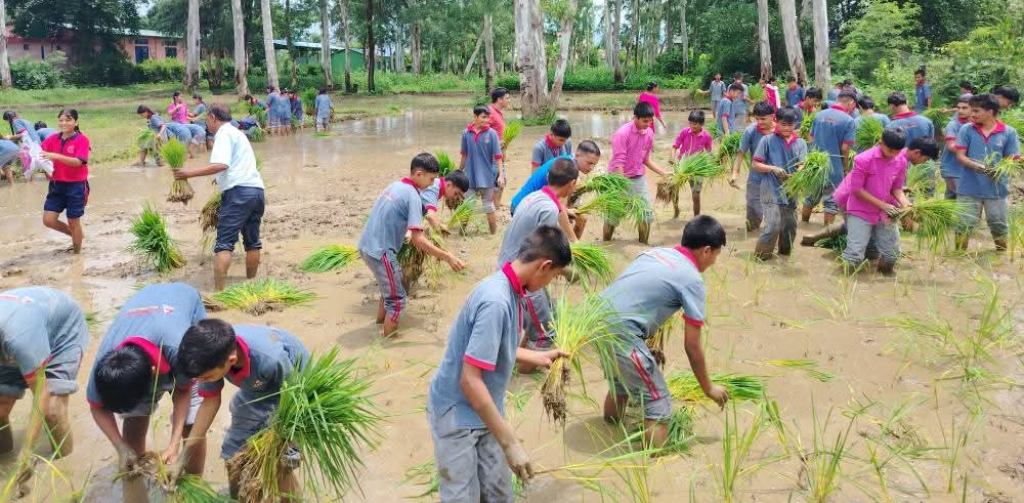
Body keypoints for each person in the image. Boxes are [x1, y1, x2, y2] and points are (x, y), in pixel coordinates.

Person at [427, 226, 570, 501]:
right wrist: (511, 442)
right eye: (553, 277)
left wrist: (537, 356)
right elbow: (469, 381)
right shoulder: (496, 300)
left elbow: (493, 347)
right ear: (545, 266)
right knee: (462, 496)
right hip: (458, 416)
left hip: (485, 410)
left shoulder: (512, 291)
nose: (549, 284)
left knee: (498, 493)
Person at [601, 216, 729, 447]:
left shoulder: (655, 254)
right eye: (716, 255)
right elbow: (692, 345)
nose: (714, 263)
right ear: (707, 251)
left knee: (620, 384)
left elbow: (636, 294)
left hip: (597, 323)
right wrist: (708, 388)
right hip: (623, 333)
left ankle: (607, 431)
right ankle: (653, 466)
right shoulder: (692, 280)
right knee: (658, 403)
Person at [87, 283, 208, 495]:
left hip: (182, 304)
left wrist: (174, 445)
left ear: (154, 374)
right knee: (133, 425)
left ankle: (192, 490)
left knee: (192, 425)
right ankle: (136, 495)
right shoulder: (105, 366)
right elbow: (96, 407)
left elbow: (184, 391)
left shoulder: (179, 349)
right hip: (146, 309)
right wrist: (120, 447)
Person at [178, 320, 310, 501]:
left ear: (231, 361)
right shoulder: (211, 358)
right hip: (256, 390)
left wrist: (279, 439)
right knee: (234, 457)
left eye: (206, 377)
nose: (203, 380)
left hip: (295, 396)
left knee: (282, 467)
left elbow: (295, 402)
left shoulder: (270, 360)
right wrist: (182, 459)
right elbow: (209, 402)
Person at [359, 153, 466, 337]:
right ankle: (387, 345)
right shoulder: (413, 196)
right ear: (418, 174)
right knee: (398, 301)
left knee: (389, 292)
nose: (433, 184)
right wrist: (447, 257)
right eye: (431, 179)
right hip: (381, 252)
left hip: (366, 246)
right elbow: (418, 239)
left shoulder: (395, 185)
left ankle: (379, 326)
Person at [173, 104, 265, 291]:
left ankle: (219, 292)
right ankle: (251, 283)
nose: (207, 124)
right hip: (256, 192)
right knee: (252, 242)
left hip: (238, 194)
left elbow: (221, 164)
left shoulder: (222, 134)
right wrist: (220, 180)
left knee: (224, 244)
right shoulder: (238, 133)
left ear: (213, 117)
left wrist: (187, 174)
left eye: (207, 120)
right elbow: (237, 164)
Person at [497, 159, 579, 360]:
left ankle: (518, 359)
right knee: (545, 334)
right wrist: (569, 272)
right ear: (572, 184)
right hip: (521, 279)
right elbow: (544, 257)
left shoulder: (534, 197)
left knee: (548, 314)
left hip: (510, 268)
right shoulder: (548, 210)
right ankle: (526, 372)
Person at [0, 287, 88, 459]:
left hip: (61, 333)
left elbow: (41, 394)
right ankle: (3, 457)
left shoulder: (20, 340)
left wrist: (27, 450)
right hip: (24, 318)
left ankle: (64, 465)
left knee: (52, 410)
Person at [836, 128, 911, 275]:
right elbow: (856, 189)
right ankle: (844, 287)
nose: (893, 155)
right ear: (880, 143)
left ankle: (885, 282)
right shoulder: (863, 159)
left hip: (885, 212)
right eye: (890, 150)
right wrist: (882, 205)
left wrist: (905, 203)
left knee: (891, 254)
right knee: (854, 255)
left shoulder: (900, 160)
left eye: (897, 151)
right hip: (860, 211)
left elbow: (897, 188)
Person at [953, 93, 1020, 251]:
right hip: (969, 187)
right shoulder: (967, 130)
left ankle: (1001, 256)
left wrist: (1004, 166)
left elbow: (1011, 158)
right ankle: (959, 258)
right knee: (963, 225)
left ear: (990, 112)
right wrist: (979, 167)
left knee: (999, 226)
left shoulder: (1008, 132)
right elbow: (960, 156)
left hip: (996, 189)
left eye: (976, 111)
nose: (972, 114)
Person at [605, 102, 669, 244]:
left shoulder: (650, 133)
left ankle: (642, 245)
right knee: (613, 215)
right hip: (618, 178)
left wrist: (663, 173)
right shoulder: (622, 134)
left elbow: (645, 159)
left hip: (638, 177)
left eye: (650, 120)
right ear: (635, 118)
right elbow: (618, 162)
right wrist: (622, 184)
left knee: (645, 214)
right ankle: (606, 243)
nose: (648, 124)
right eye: (645, 121)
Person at [510, 140, 601, 238]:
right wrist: (574, 241)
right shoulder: (568, 169)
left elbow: (559, 204)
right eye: (589, 163)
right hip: (524, 207)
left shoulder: (565, 161)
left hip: (527, 204)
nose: (591, 168)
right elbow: (560, 208)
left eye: (594, 165)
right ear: (578, 154)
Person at [752, 107, 808, 260]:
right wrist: (773, 168)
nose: (787, 128)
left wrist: (799, 172)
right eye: (784, 124)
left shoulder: (801, 143)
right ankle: (760, 259)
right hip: (770, 188)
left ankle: (784, 257)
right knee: (773, 225)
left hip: (791, 190)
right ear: (776, 122)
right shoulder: (767, 140)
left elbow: (803, 164)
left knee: (790, 227)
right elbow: (755, 164)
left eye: (791, 125)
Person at [802, 91, 857, 225]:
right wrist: (844, 168)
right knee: (831, 203)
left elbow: (811, 138)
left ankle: (803, 224)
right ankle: (827, 235)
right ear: (851, 104)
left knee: (810, 198)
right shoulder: (848, 121)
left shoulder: (819, 115)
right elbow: (845, 149)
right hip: (834, 167)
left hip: (816, 165)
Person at [42, 109, 90, 254]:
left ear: (76, 122)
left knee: (73, 221)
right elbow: (40, 153)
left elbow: (78, 162)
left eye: (68, 120)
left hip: (76, 186)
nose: (63, 123)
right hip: (56, 185)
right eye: (61, 120)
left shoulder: (82, 139)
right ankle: (77, 236)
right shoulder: (52, 139)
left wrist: (54, 156)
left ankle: (77, 252)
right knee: (48, 220)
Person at [459, 105, 504, 234]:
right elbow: (464, 155)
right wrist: (458, 172)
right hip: (469, 178)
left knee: (488, 207)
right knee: (467, 206)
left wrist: (500, 175)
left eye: (488, 117)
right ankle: (461, 234)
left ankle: (493, 234)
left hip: (487, 177)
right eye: (483, 117)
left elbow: (498, 157)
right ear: (475, 117)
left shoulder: (492, 134)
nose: (487, 120)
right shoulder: (466, 133)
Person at [732, 101, 776, 231]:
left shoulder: (780, 131)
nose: (760, 122)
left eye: (763, 119)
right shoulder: (750, 131)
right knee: (753, 216)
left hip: (775, 180)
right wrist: (735, 173)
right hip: (755, 179)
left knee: (773, 216)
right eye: (757, 119)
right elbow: (740, 154)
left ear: (772, 116)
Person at [671, 110, 714, 217]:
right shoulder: (684, 132)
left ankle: (696, 218)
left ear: (701, 124)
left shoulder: (706, 136)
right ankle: (676, 209)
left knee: (696, 194)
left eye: (695, 124)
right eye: (690, 123)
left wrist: (715, 162)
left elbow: (709, 152)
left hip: (697, 167)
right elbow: (675, 146)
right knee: (673, 188)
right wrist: (672, 158)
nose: (692, 126)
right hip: (683, 164)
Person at [940, 95, 972, 199]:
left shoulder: (975, 124)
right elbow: (951, 146)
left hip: (964, 168)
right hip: (952, 168)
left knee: (951, 197)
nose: (960, 111)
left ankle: (942, 214)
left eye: (964, 108)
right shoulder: (953, 125)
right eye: (958, 108)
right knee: (962, 196)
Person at [488, 88, 511, 210]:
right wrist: (497, 143)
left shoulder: (498, 113)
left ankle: (496, 206)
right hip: (491, 157)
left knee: (500, 182)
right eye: (507, 98)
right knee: (498, 182)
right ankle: (493, 208)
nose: (509, 101)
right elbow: (480, 134)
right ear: (499, 99)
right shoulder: (489, 113)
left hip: (499, 156)